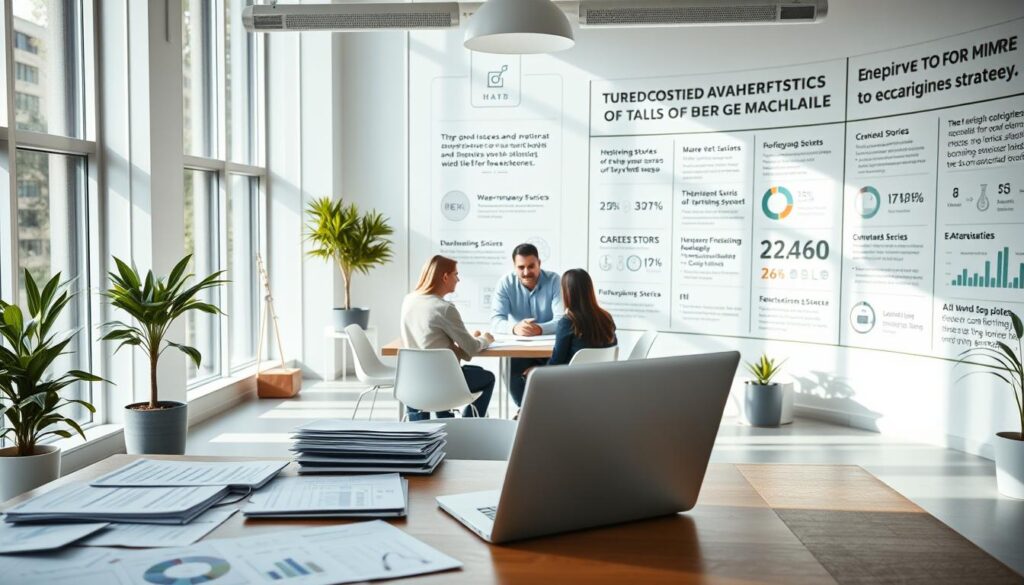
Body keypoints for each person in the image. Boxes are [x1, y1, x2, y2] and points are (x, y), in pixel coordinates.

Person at [401, 255, 495, 420]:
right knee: (488, 378)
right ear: (445, 277)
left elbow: (431, 339)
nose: (458, 279)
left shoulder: (409, 300)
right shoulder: (444, 309)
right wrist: (485, 339)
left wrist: (467, 342)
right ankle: (468, 423)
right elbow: (471, 349)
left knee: (473, 372)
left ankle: (423, 428)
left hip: (413, 383)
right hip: (444, 384)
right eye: (456, 274)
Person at [489, 243, 564, 407]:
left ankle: (547, 411)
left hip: (549, 350)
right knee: (511, 369)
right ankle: (524, 411)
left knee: (556, 378)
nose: (526, 272)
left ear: (539, 264)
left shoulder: (554, 280)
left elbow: (561, 320)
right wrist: (515, 329)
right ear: (514, 267)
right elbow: (496, 320)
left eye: (531, 266)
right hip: (519, 349)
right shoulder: (506, 283)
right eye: (521, 267)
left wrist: (539, 329)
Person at [545, 268, 617, 367]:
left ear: (566, 292)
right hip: (603, 377)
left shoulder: (567, 322)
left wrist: (534, 370)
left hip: (574, 379)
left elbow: (556, 362)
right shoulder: (606, 317)